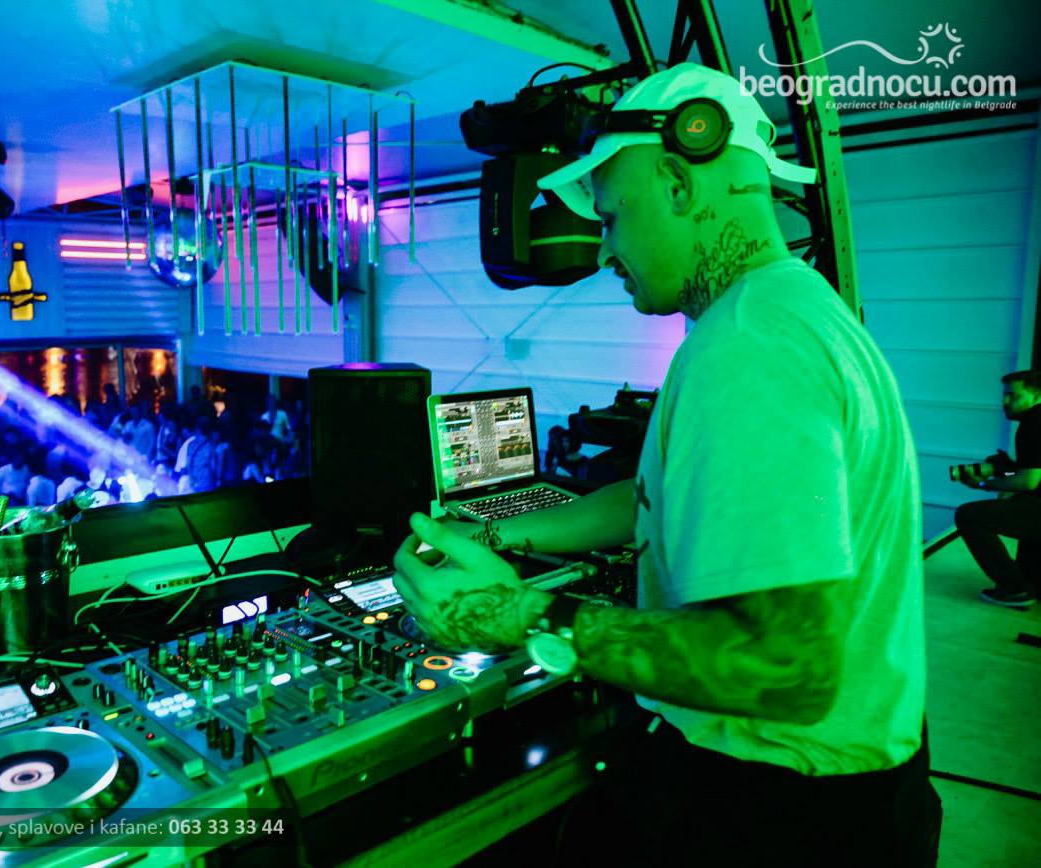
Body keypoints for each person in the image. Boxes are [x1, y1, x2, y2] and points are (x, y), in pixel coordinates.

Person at [391, 64, 939, 867]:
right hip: (849, 793)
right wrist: (501, 534)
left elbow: (786, 667)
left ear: (679, 184)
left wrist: (521, 617)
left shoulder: (750, 347)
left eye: (612, 216)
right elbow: (646, 496)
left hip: (786, 815)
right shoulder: (791, 310)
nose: (605, 249)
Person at [952, 369, 1041, 608]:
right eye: (1004, 395)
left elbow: (1028, 482)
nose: (1005, 401)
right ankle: (1027, 583)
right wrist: (1007, 469)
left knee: (969, 515)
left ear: (1037, 396)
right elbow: (1030, 473)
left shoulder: (1034, 423)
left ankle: (1015, 590)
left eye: (1014, 395)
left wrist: (984, 484)